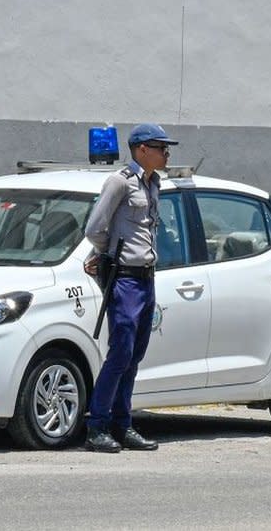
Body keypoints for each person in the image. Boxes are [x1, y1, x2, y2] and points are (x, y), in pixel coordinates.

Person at [81, 123, 177, 453]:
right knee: (120, 353)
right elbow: (95, 227)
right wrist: (109, 252)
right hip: (123, 277)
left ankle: (123, 425)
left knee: (134, 355)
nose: (166, 153)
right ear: (140, 149)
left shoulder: (153, 183)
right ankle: (97, 426)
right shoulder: (120, 182)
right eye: (160, 147)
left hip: (146, 277)